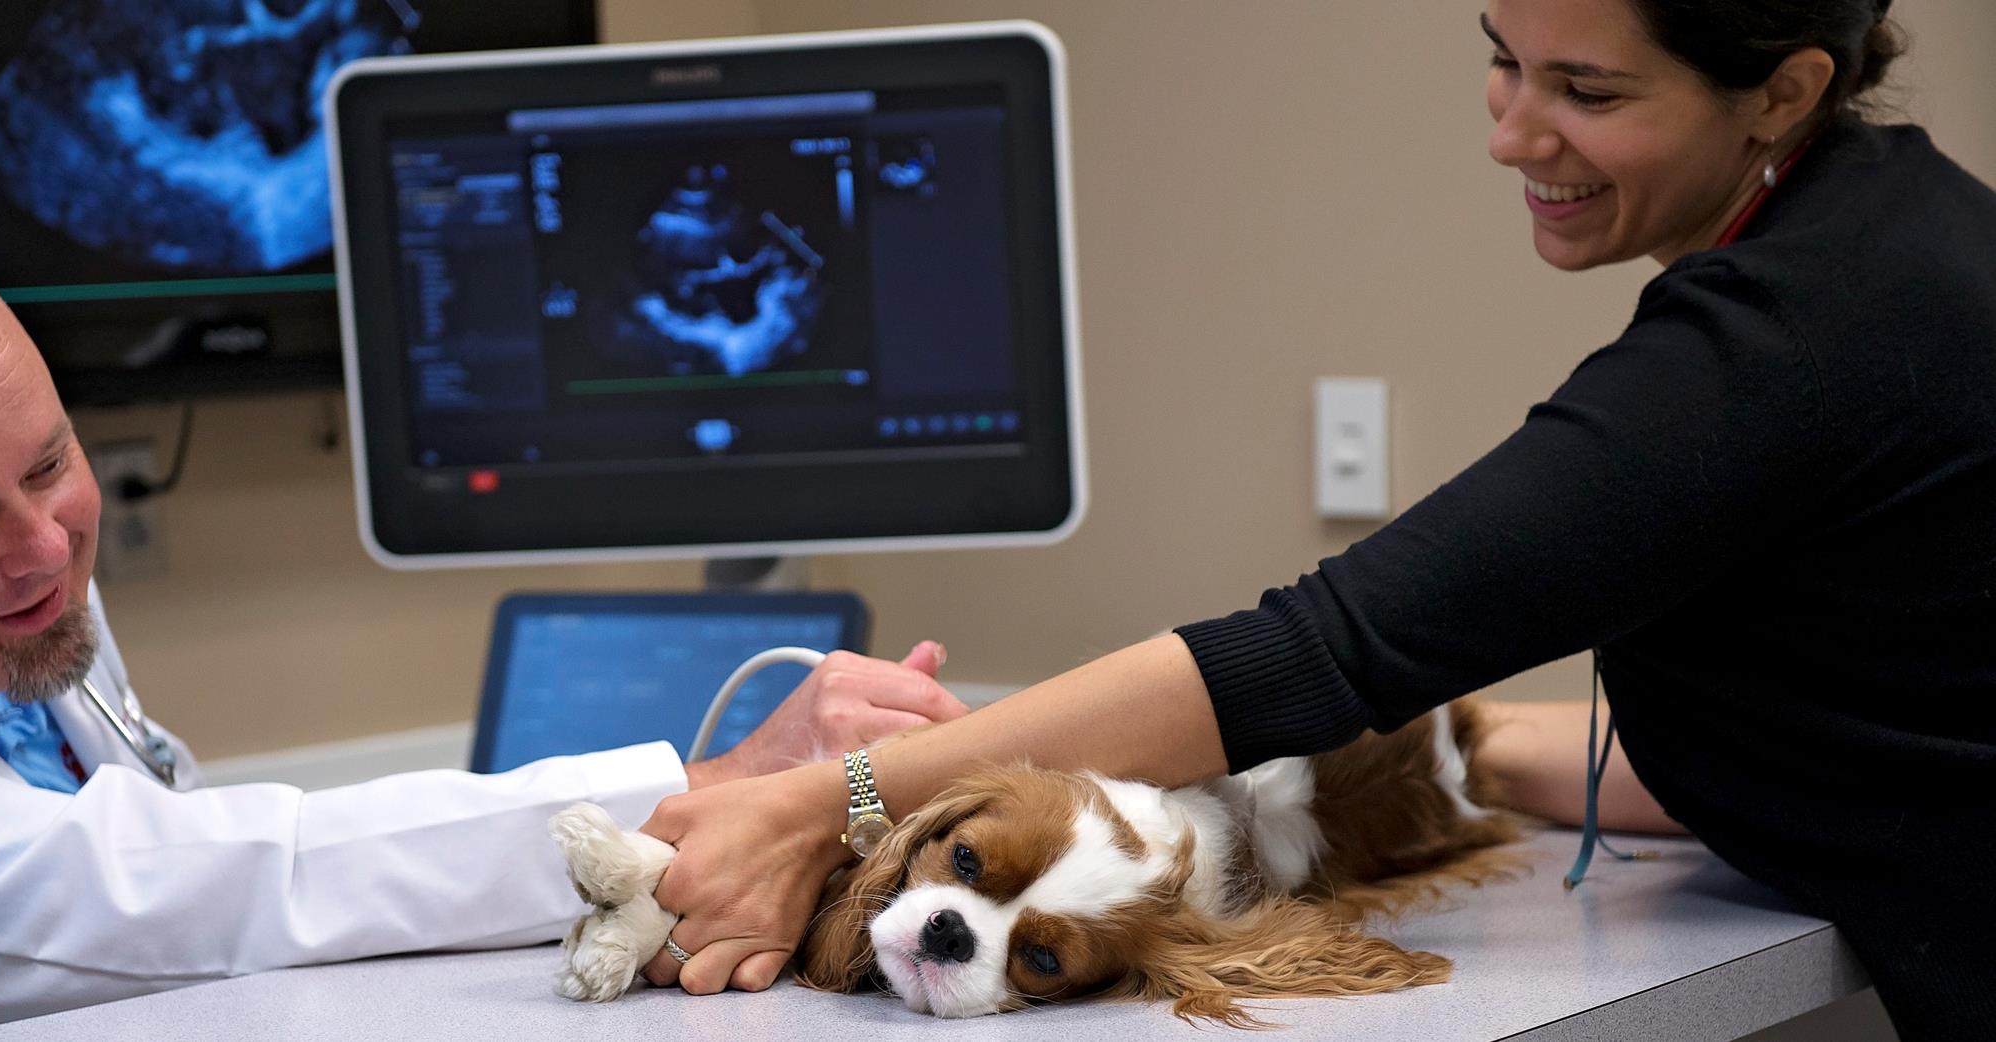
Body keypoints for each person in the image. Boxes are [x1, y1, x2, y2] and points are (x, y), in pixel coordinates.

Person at [633, 2, 1996, 1040]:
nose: (1510, 131)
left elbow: (1320, 646)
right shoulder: (1903, 232)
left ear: (1782, 90)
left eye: (1581, 89)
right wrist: (1485, 756)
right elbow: (1900, 711)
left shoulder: (1786, 339)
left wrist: (826, 803)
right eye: (1502, 57)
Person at [0, 228, 967, 1042]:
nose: (47, 546)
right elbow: (210, 883)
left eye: (50, 462)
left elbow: (170, 819)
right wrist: (730, 785)